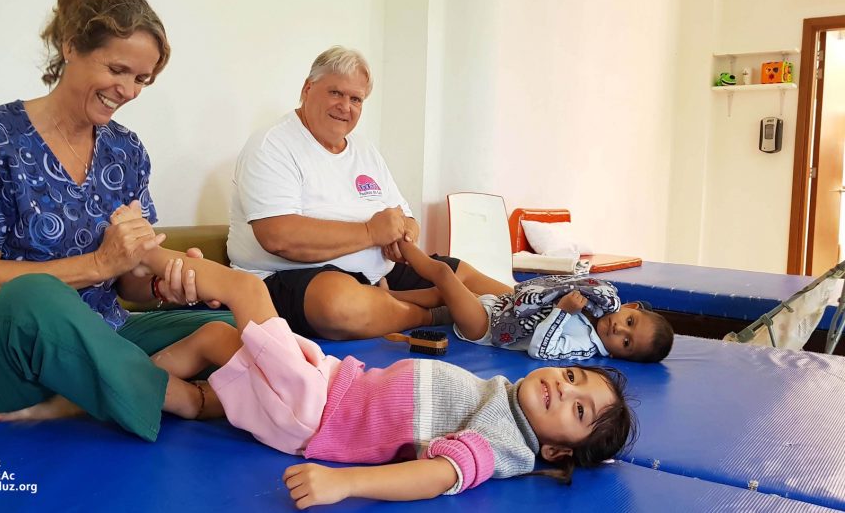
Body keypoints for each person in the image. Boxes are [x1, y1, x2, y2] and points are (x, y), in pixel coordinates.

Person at [114, 198, 636, 506]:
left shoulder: (504, 443)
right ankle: (165, 395)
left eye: (578, 408)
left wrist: (345, 485)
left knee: (248, 294)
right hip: (326, 386)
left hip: (318, 408)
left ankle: (140, 252)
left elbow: (437, 475)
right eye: (571, 376)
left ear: (558, 453)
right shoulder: (508, 404)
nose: (563, 387)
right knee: (215, 343)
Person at [0, 0, 233, 442]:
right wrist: (98, 264)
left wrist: (160, 286)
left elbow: (128, 279)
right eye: (117, 70)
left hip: (103, 335)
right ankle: (184, 399)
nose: (129, 91)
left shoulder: (127, 150)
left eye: (141, 79)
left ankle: (76, 401)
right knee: (34, 294)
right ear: (72, 47)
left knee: (226, 329)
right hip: (3, 355)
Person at [226, 45, 512, 341]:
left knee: (459, 274)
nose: (345, 106)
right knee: (338, 304)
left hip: (379, 272)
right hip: (288, 278)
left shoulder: (364, 150)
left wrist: (404, 236)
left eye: (355, 99)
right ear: (307, 89)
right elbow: (279, 237)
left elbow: (406, 217)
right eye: (335, 93)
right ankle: (433, 312)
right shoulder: (271, 145)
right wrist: (371, 232)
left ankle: (537, 309)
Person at [392, 240, 675, 362]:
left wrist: (563, 313)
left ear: (617, 354)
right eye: (629, 322)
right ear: (630, 308)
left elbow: (541, 349)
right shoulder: (597, 307)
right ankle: (388, 295)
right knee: (444, 293)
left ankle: (400, 241)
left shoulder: (584, 345)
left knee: (443, 274)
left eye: (626, 342)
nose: (619, 331)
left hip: (486, 327)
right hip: (500, 306)